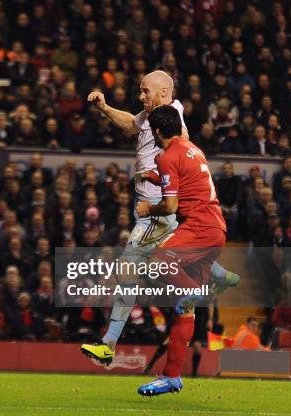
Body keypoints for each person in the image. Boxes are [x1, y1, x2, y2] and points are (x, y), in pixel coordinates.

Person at [81, 71, 238, 366]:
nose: (141, 96)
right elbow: (130, 124)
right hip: (154, 204)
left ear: (165, 93)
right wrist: (104, 108)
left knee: (128, 271)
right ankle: (219, 275)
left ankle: (108, 343)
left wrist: (165, 178)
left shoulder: (173, 115)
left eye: (145, 91)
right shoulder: (151, 116)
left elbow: (183, 143)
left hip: (154, 207)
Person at [134, 105, 227, 396]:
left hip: (198, 228)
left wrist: (148, 207)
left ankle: (200, 290)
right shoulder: (192, 149)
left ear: (158, 131)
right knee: (183, 312)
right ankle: (172, 376)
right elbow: (187, 183)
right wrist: (155, 178)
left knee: (156, 261)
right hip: (215, 229)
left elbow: (172, 207)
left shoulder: (167, 156)